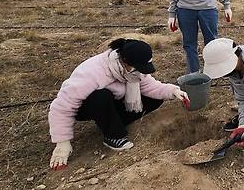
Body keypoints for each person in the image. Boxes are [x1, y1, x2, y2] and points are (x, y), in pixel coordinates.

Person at [48, 39, 190, 170]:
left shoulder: (134, 72)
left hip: (113, 103)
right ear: (124, 61)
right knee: (101, 96)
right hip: (89, 106)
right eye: (137, 68)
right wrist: (62, 143)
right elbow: (62, 107)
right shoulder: (92, 73)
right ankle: (113, 135)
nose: (140, 72)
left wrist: (173, 91)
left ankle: (112, 121)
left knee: (155, 98)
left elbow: (151, 87)